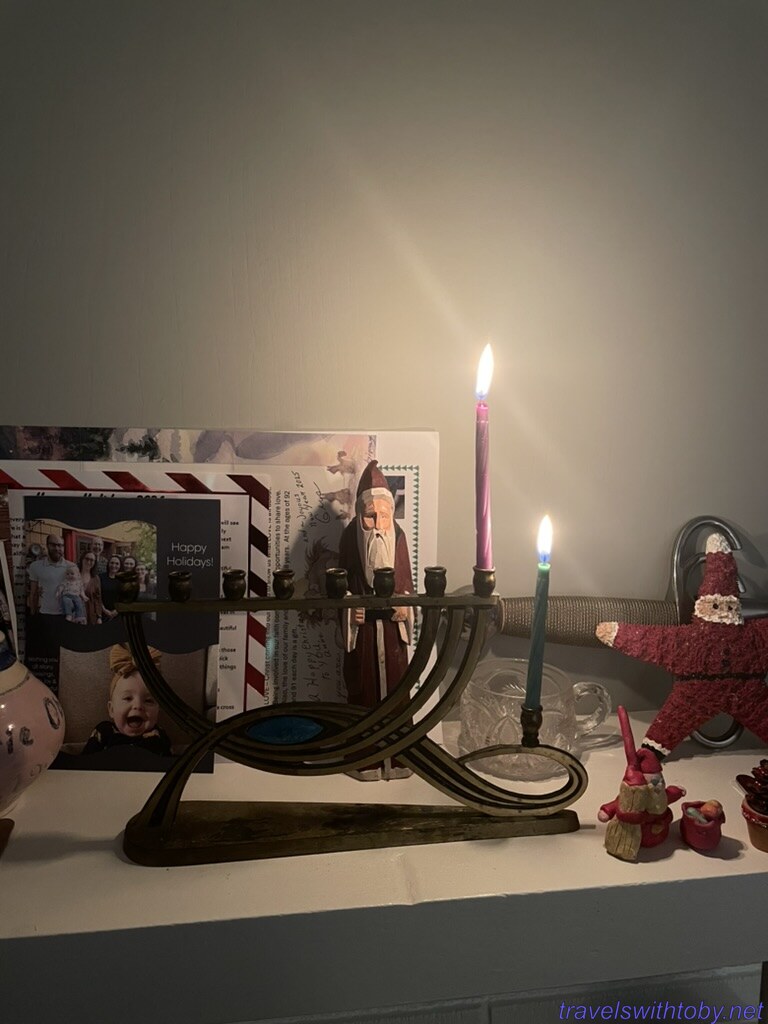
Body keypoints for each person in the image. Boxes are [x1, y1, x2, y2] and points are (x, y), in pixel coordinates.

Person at [337, 461, 414, 780]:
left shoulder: (399, 537)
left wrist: (406, 608)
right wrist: (349, 611)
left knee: (398, 693)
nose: (378, 525)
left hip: (393, 635)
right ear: (359, 516)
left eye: (384, 516)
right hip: (364, 634)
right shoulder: (349, 540)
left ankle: (400, 757)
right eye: (370, 517)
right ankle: (365, 758)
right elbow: (337, 588)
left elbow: (407, 584)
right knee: (363, 694)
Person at [82, 644, 171, 756]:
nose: (138, 705)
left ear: (159, 709)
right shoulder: (104, 731)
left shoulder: (158, 736)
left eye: (148, 701)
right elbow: (85, 762)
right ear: (111, 709)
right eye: (128, 698)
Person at [27, 534, 77, 617]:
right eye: (53, 545)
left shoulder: (72, 567)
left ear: (63, 547)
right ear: (47, 545)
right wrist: (33, 615)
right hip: (45, 614)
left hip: (67, 614)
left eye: (60, 545)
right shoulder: (35, 566)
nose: (57, 548)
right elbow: (33, 593)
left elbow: (76, 590)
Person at [78, 550, 104, 625]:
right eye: (87, 559)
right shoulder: (74, 574)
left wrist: (99, 616)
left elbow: (98, 598)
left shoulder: (96, 578)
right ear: (82, 559)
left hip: (91, 613)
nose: (89, 562)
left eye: (92, 560)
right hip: (76, 613)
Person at [99, 554, 122, 620]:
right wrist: (104, 610)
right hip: (102, 612)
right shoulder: (100, 577)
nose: (114, 565)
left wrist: (117, 610)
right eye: (112, 563)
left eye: (117, 564)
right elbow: (97, 595)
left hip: (119, 613)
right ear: (108, 564)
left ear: (120, 566)